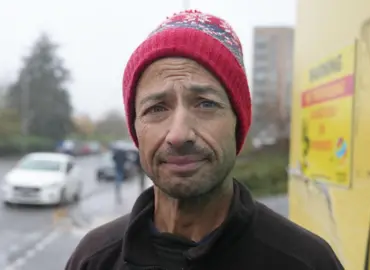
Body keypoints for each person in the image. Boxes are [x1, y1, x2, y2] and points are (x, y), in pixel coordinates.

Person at [65, 10, 344, 270]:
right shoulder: (94, 259)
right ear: (136, 130)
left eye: (205, 104)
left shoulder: (306, 262)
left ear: (238, 123)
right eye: (157, 108)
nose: (179, 134)